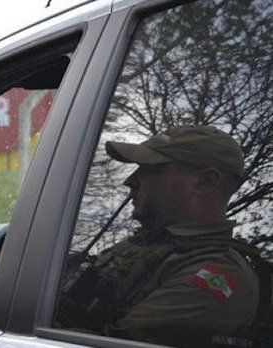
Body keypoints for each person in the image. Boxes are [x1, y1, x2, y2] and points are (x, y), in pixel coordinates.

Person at [57, 125, 261, 347]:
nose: (131, 181)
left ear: (205, 182)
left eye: (149, 169)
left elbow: (111, 342)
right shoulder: (153, 245)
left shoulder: (217, 273)